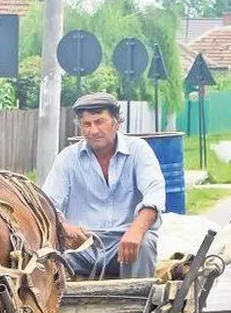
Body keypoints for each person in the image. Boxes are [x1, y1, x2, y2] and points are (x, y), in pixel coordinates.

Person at [42, 92, 166, 279]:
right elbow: (47, 204)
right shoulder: (67, 157)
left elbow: (154, 195)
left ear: (116, 123)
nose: (93, 130)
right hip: (81, 245)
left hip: (124, 241)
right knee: (43, 254)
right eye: (87, 124)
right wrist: (64, 227)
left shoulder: (138, 150)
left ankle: (138, 298)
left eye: (100, 122)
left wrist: (136, 230)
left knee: (145, 242)